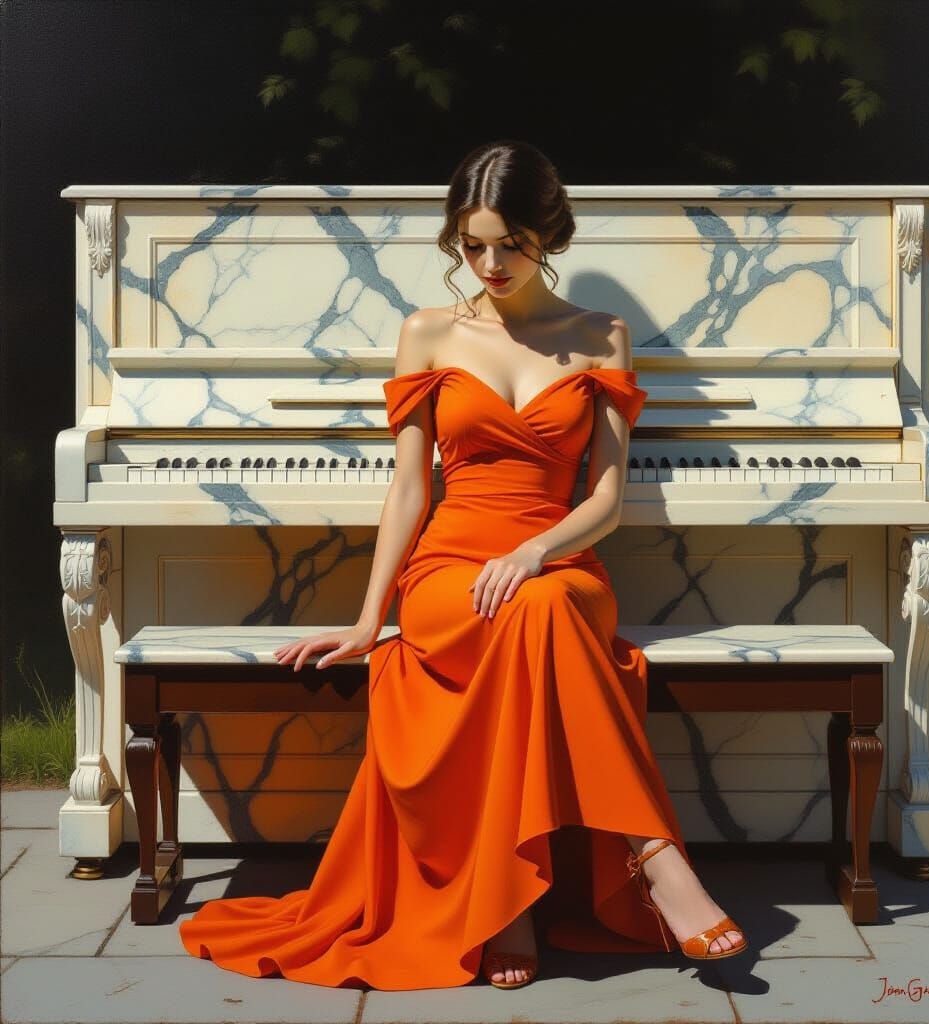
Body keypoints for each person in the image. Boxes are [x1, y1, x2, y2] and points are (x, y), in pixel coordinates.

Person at [179, 139, 747, 991]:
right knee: (528, 618)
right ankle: (655, 865)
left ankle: (513, 903)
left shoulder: (602, 337)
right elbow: (409, 491)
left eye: (510, 244)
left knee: (544, 608)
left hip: (556, 563)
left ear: (548, 235)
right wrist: (373, 620)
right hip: (449, 572)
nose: (489, 263)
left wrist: (533, 550)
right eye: (472, 244)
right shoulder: (429, 332)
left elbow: (605, 500)